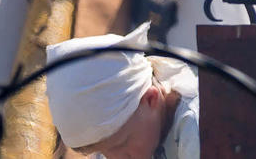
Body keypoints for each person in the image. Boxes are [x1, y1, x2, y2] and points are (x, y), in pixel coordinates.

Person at [44, 22, 199, 159]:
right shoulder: (128, 137)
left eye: (122, 144)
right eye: (102, 152)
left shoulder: (195, 127)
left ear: (151, 99)